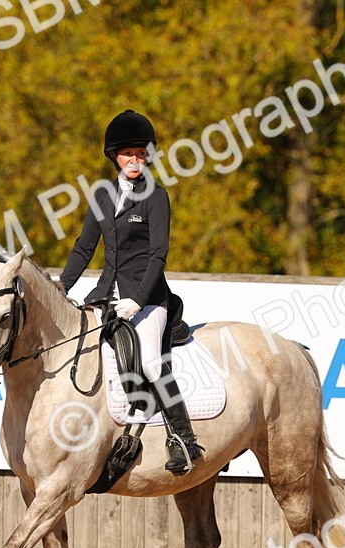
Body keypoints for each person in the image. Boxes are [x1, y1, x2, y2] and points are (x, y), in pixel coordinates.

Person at [58, 109, 204, 475]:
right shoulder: (102, 194)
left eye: (141, 153)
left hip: (149, 298)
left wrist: (137, 299)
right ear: (114, 156)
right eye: (127, 154)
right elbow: (83, 248)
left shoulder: (156, 196)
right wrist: (61, 287)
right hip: (107, 291)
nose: (135, 160)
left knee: (152, 362)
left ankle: (183, 440)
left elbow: (159, 254)